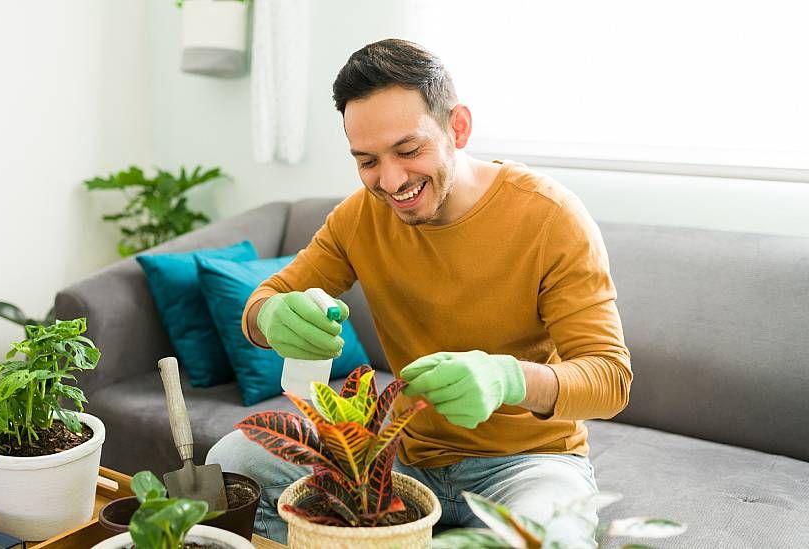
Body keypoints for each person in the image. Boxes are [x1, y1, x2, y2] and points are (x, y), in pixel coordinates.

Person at [207, 38, 632, 545]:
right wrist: (271, 315)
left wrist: (508, 379)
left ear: (458, 127)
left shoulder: (550, 217)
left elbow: (610, 380)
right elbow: (265, 300)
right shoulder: (358, 218)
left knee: (546, 539)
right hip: (400, 457)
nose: (391, 181)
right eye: (367, 160)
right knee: (230, 464)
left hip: (528, 465)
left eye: (408, 150)